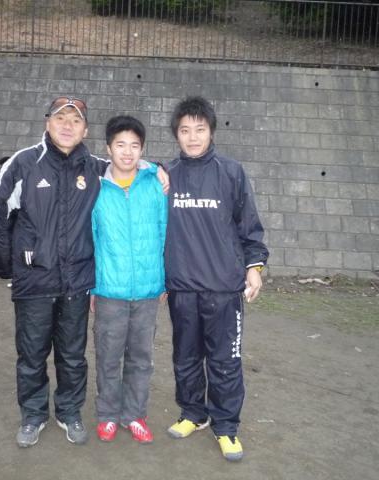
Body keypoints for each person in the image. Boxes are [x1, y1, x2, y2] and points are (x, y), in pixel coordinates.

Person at [0, 96, 168, 448]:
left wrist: (159, 167)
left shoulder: (94, 167)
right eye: (60, 118)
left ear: (85, 130)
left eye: (75, 120)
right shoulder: (23, 163)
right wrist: (6, 267)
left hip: (77, 282)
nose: (67, 126)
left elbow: (127, 162)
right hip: (34, 280)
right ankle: (33, 415)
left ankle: (69, 412)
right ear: (47, 123)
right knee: (32, 354)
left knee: (72, 355)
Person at [163, 96, 269, 461]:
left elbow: (250, 228)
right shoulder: (165, 176)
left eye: (200, 129)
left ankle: (226, 426)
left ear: (211, 131)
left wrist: (254, 267)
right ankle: (193, 413)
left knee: (225, 361)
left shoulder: (231, 173)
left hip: (223, 289)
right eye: (185, 130)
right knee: (185, 357)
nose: (192, 137)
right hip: (182, 288)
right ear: (176, 134)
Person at [89, 115, 168, 444]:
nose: (127, 152)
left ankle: (134, 415)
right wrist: (92, 287)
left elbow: (165, 232)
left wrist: (163, 280)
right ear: (108, 149)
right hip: (110, 289)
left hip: (148, 290)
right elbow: (90, 239)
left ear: (142, 150)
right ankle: (108, 414)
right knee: (108, 356)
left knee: (141, 358)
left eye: (134, 145)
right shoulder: (96, 188)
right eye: (120, 144)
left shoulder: (155, 184)